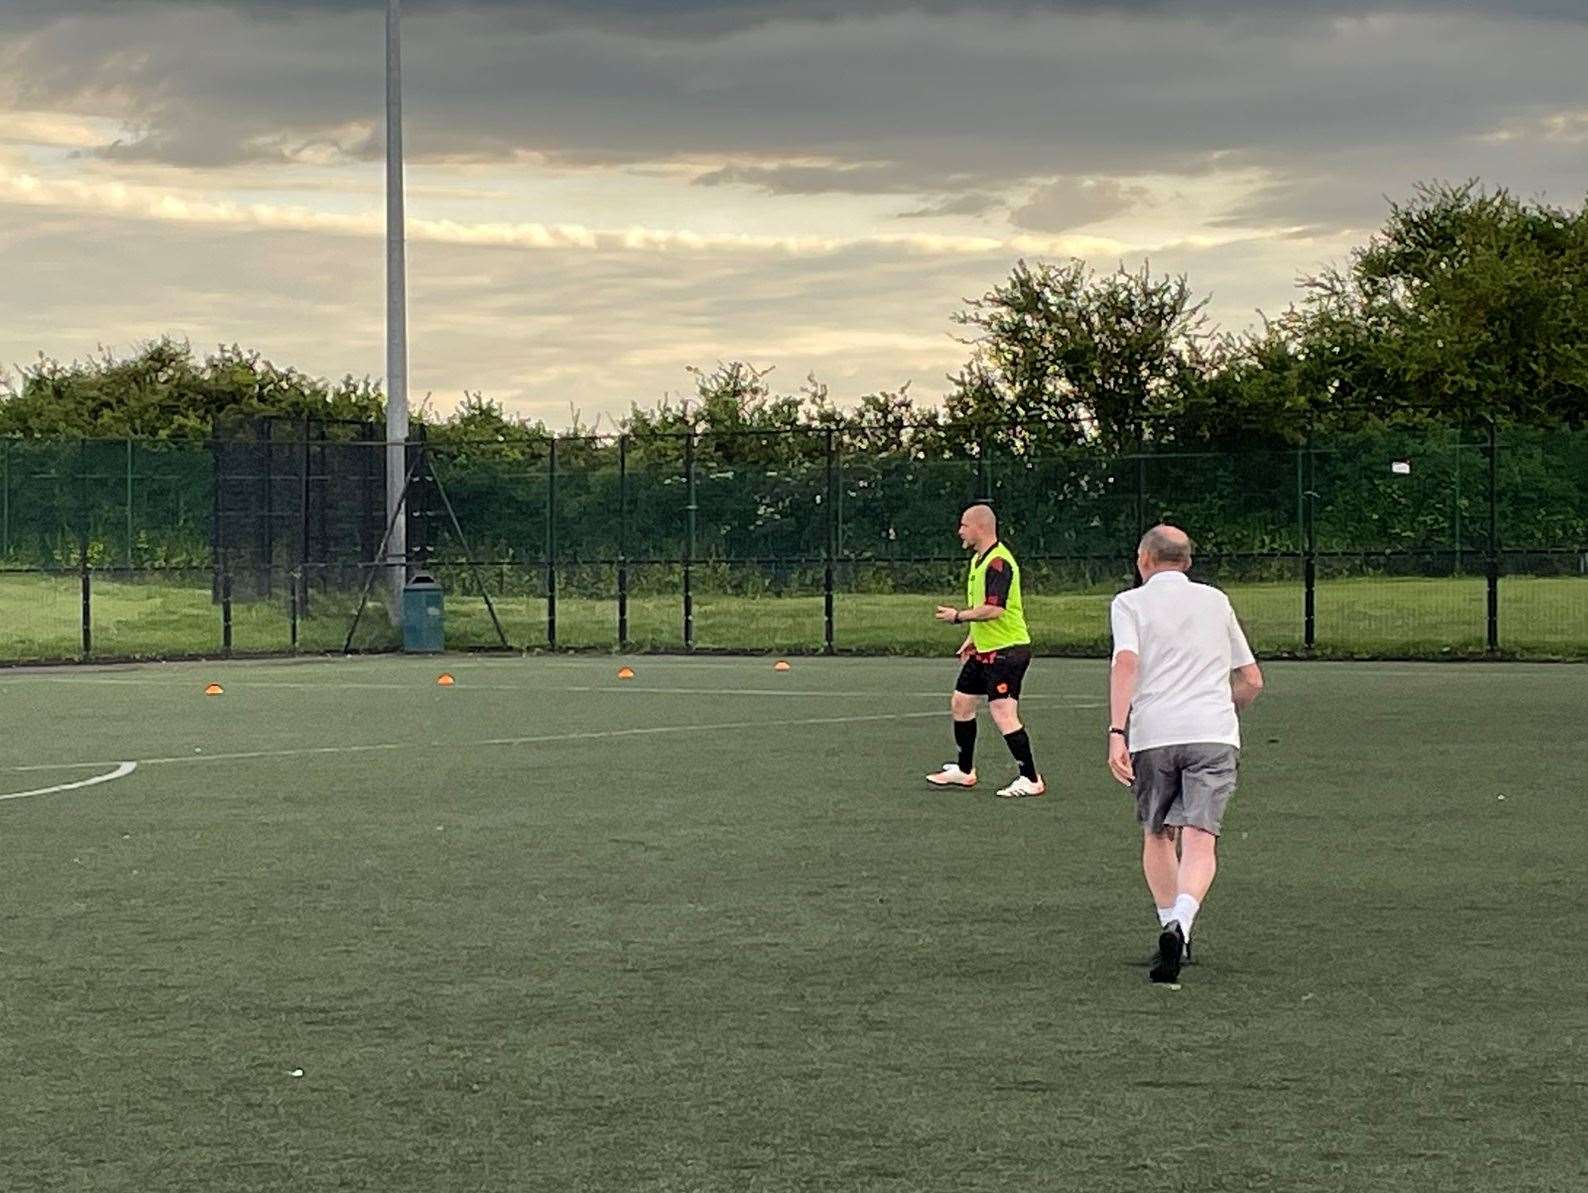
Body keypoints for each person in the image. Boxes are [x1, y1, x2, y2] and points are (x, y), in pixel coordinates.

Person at [1107, 525, 1264, 984]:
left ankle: (1168, 926)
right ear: (1188, 562)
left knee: (1158, 834)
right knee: (1201, 837)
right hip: (1213, 734)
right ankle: (1184, 922)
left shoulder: (1129, 603)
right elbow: (1252, 680)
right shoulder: (1216, 601)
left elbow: (1126, 662)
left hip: (1154, 733)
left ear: (1143, 559)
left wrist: (1118, 730)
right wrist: (1218, 706)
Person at [926, 504, 1045, 798]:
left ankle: (1030, 778)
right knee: (961, 703)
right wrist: (972, 637)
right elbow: (984, 608)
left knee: (1003, 712)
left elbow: (994, 609)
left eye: (964, 525)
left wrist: (959, 616)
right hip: (986, 649)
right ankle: (964, 771)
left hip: (1007, 651)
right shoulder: (978, 561)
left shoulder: (998, 563)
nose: (960, 531)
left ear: (980, 527)